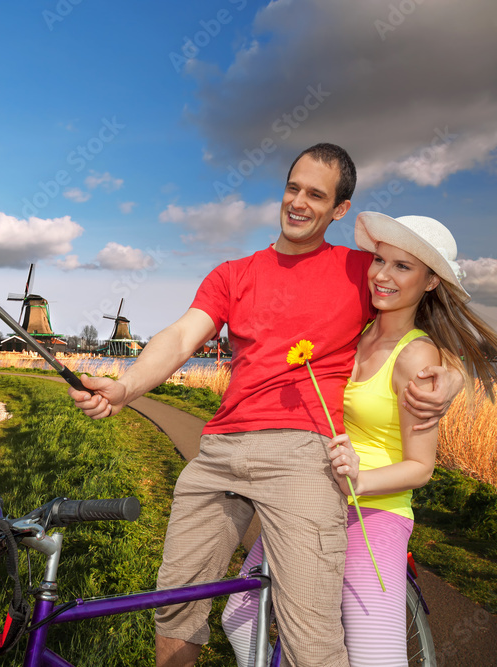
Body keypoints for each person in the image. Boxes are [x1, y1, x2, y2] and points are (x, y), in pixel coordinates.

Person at [68, 143, 463, 667]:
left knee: (310, 638)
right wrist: (127, 386)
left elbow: (416, 318)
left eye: (316, 195)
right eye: (293, 188)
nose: (298, 202)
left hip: (305, 455)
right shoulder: (233, 274)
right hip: (219, 451)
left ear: (339, 209)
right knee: (176, 606)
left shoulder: (360, 271)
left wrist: (452, 374)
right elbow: (183, 335)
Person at [221, 213, 497, 666]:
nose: (382, 275)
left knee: (374, 658)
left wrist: (359, 480)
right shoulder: (357, 333)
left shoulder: (418, 358)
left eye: (402, 266)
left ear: (431, 282)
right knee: (241, 616)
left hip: (374, 513)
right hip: (310, 504)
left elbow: (421, 467)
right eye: (380, 260)